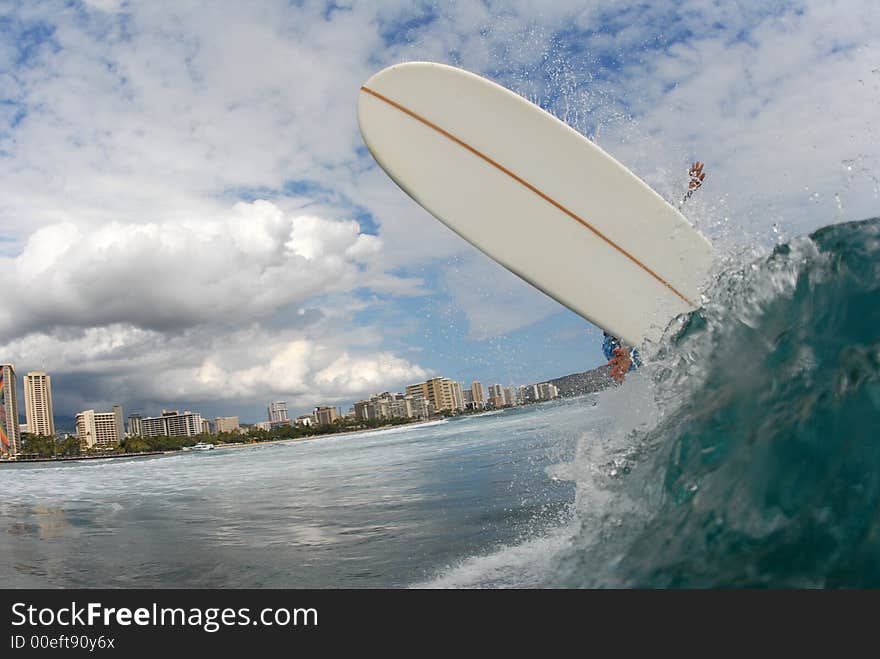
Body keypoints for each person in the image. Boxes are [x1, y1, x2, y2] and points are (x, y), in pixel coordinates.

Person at [604, 161, 706, 383]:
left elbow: (669, 227)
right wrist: (625, 350)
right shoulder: (617, 265)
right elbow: (615, 309)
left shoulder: (643, 253)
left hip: (643, 338)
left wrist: (688, 191)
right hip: (619, 344)